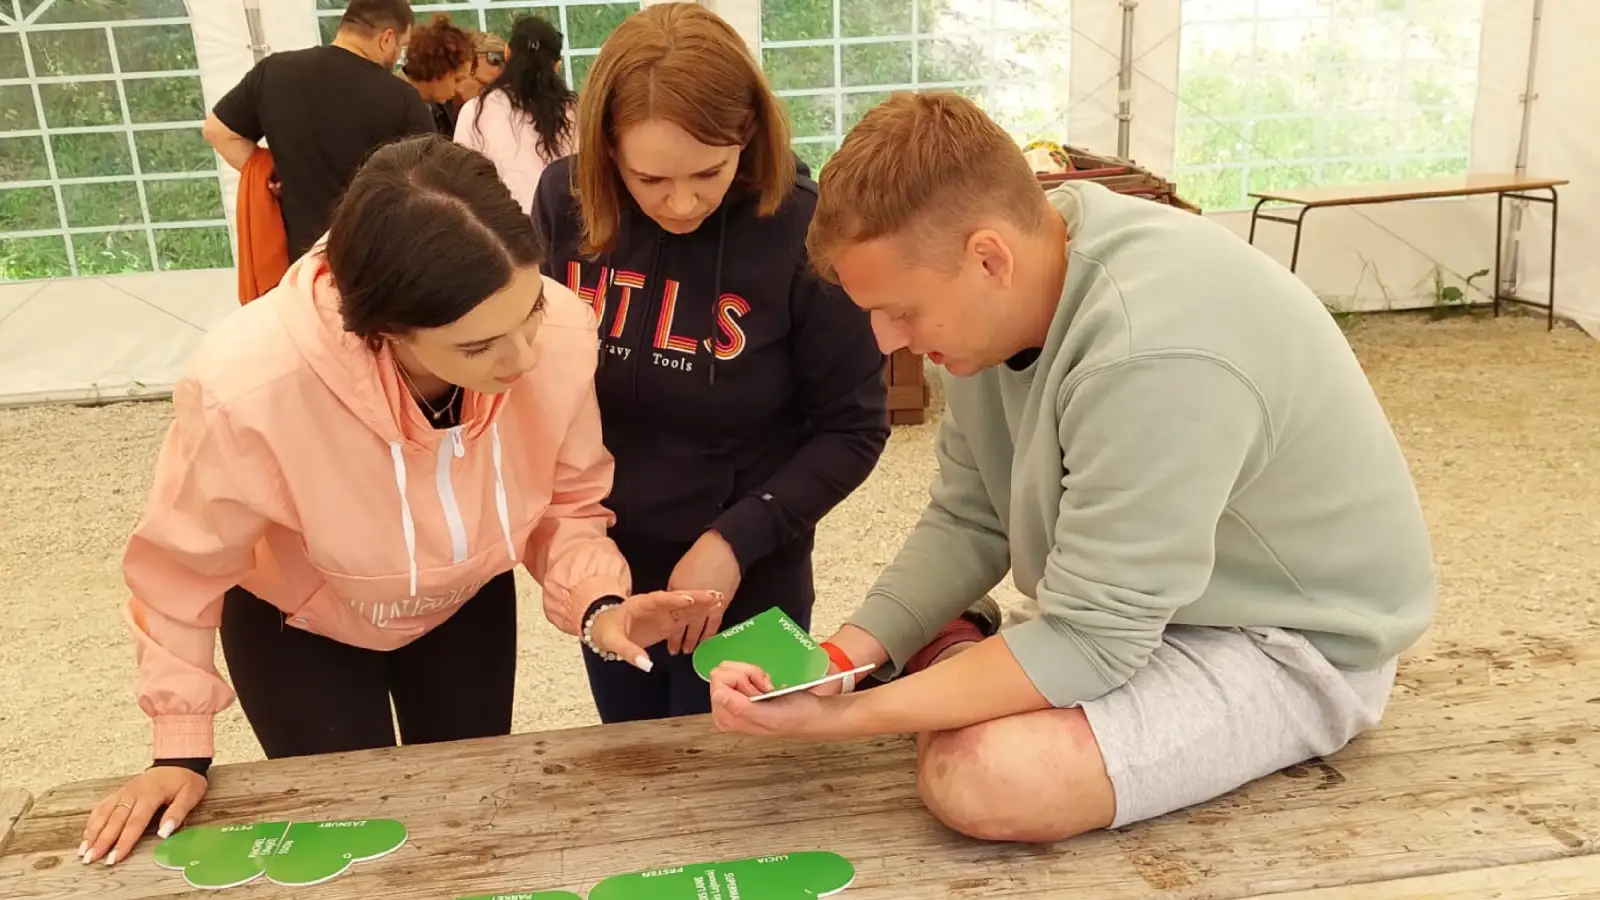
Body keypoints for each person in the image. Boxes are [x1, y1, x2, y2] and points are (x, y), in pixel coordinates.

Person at [707, 92, 1437, 843]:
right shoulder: (1016, 279)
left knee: (988, 779)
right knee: (968, 737)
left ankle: (961, 653)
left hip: (1289, 638)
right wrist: (842, 658)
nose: (887, 339)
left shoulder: (1151, 349)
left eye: (903, 310)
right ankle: (964, 657)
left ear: (988, 256)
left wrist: (845, 717)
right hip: (1140, 607)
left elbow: (1095, 642)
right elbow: (971, 517)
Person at [78, 134, 725, 868]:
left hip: (466, 603)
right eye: (478, 347)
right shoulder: (248, 386)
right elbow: (181, 571)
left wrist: (600, 603)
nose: (523, 359)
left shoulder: (565, 332)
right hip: (301, 623)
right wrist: (180, 748)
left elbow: (566, 502)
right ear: (382, 333)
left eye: (530, 312)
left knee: (467, 823)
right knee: (348, 840)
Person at [533, 2, 890, 724]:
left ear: (748, 135)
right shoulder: (562, 203)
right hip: (611, 564)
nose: (683, 202)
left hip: (751, 563)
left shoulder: (800, 227)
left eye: (709, 171)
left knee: (739, 785)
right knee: (635, 761)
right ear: (606, 151)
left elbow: (853, 428)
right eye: (650, 180)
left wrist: (734, 540)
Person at [202, 0, 434, 262]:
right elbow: (430, 184)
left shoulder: (273, 72)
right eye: (401, 48)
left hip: (302, 266)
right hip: (375, 264)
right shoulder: (402, 98)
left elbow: (217, 131)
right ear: (387, 38)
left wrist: (269, 174)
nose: (398, 58)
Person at [456, 15, 577, 215]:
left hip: (501, 236)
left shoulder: (475, 112)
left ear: (507, 53)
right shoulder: (576, 113)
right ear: (557, 65)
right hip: (564, 231)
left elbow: (461, 186)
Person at [400, 13, 476, 135]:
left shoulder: (439, 107)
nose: (459, 90)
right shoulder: (393, 103)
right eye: (457, 79)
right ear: (439, 67)